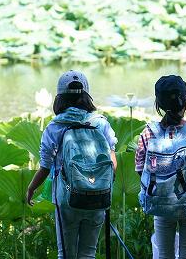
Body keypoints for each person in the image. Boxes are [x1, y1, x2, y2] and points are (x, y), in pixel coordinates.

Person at [26, 70, 118, 259]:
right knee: (88, 253)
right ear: (87, 96)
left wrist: (31, 188)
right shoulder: (100, 123)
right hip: (98, 196)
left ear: (60, 98)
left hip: (66, 197)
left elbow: (45, 166)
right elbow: (111, 163)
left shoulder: (54, 127)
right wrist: (98, 183)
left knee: (66, 254)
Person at [135, 75, 186, 259]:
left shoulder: (148, 132)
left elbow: (140, 169)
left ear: (159, 104)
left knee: (164, 254)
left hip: (160, 202)